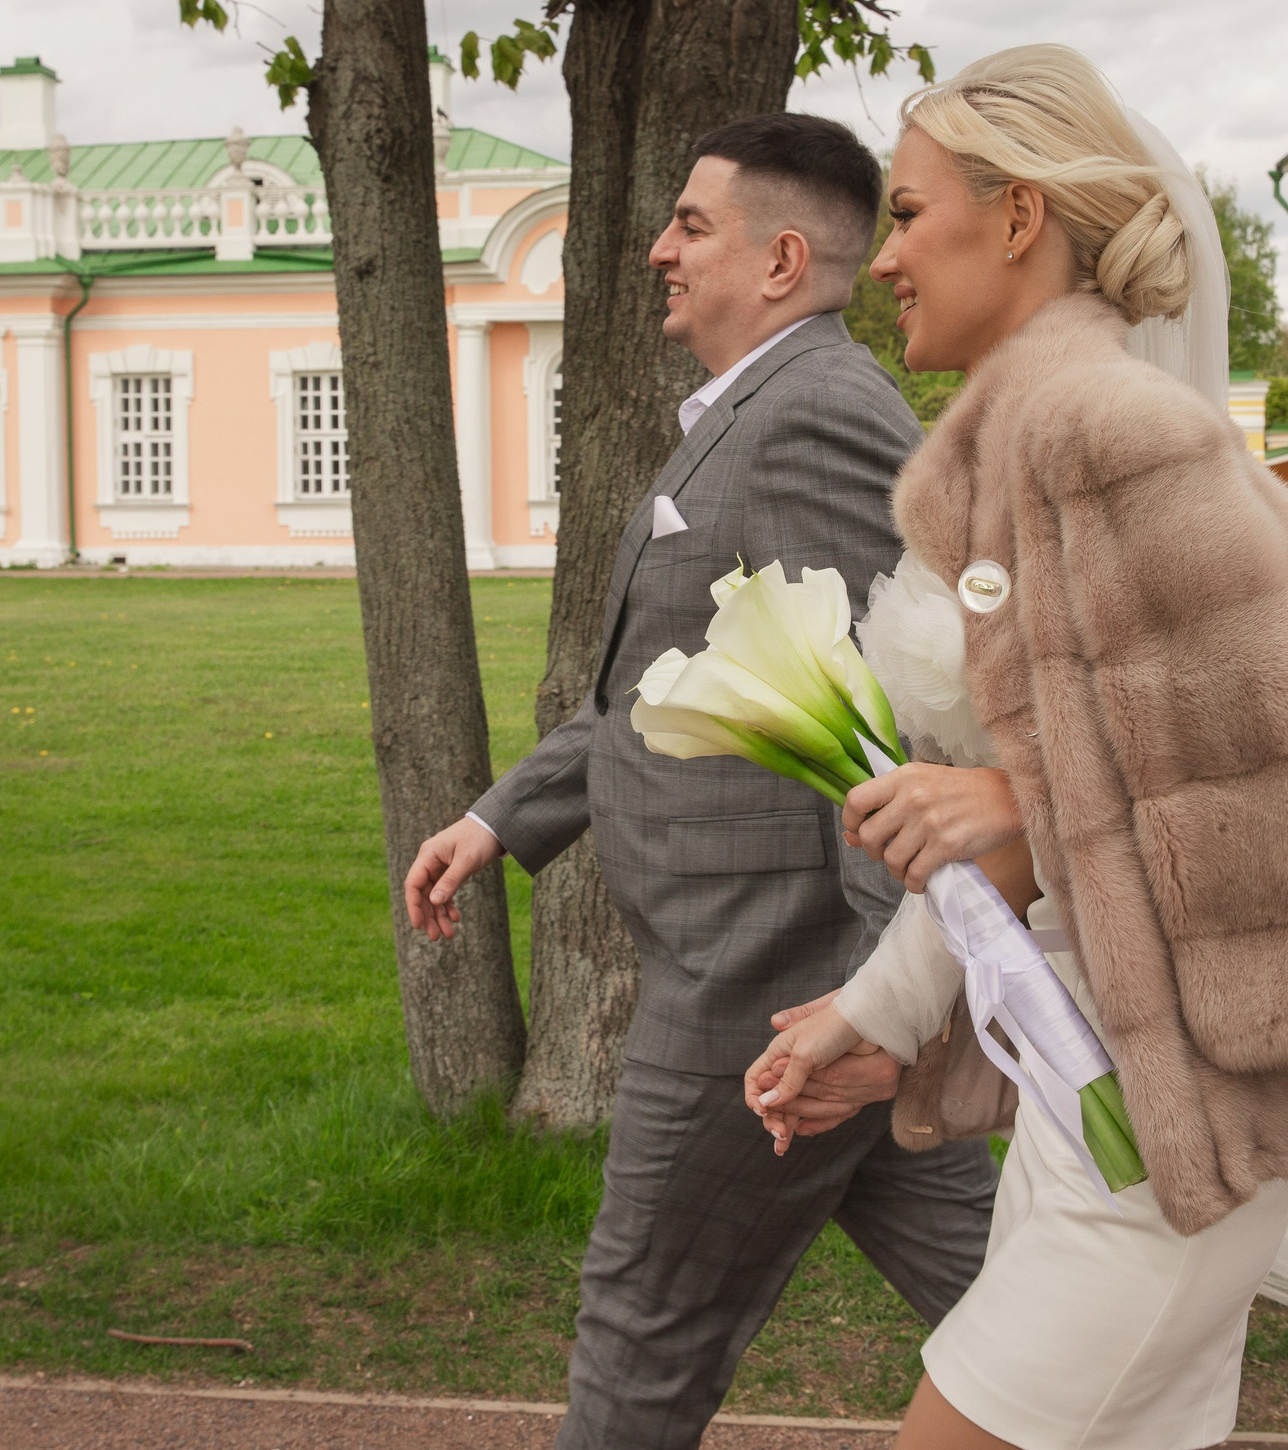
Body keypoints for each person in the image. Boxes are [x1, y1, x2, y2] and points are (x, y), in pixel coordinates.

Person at [745, 46, 1288, 1450]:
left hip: (1165, 1148)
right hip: (1103, 1119)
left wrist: (1011, 793)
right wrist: (877, 1020)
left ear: (1018, 221)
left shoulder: (1105, 431)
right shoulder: (1027, 446)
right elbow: (1055, 845)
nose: (883, 262)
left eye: (915, 211)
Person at [403, 113, 1001, 1450]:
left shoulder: (815, 420)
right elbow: (678, 688)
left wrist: (864, 1004)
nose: (659, 249)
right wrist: (502, 817)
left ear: (782, 259)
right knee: (1027, 1301)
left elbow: (877, 720)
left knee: (640, 1328)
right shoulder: (752, 414)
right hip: (798, 979)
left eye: (690, 224)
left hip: (760, 979)